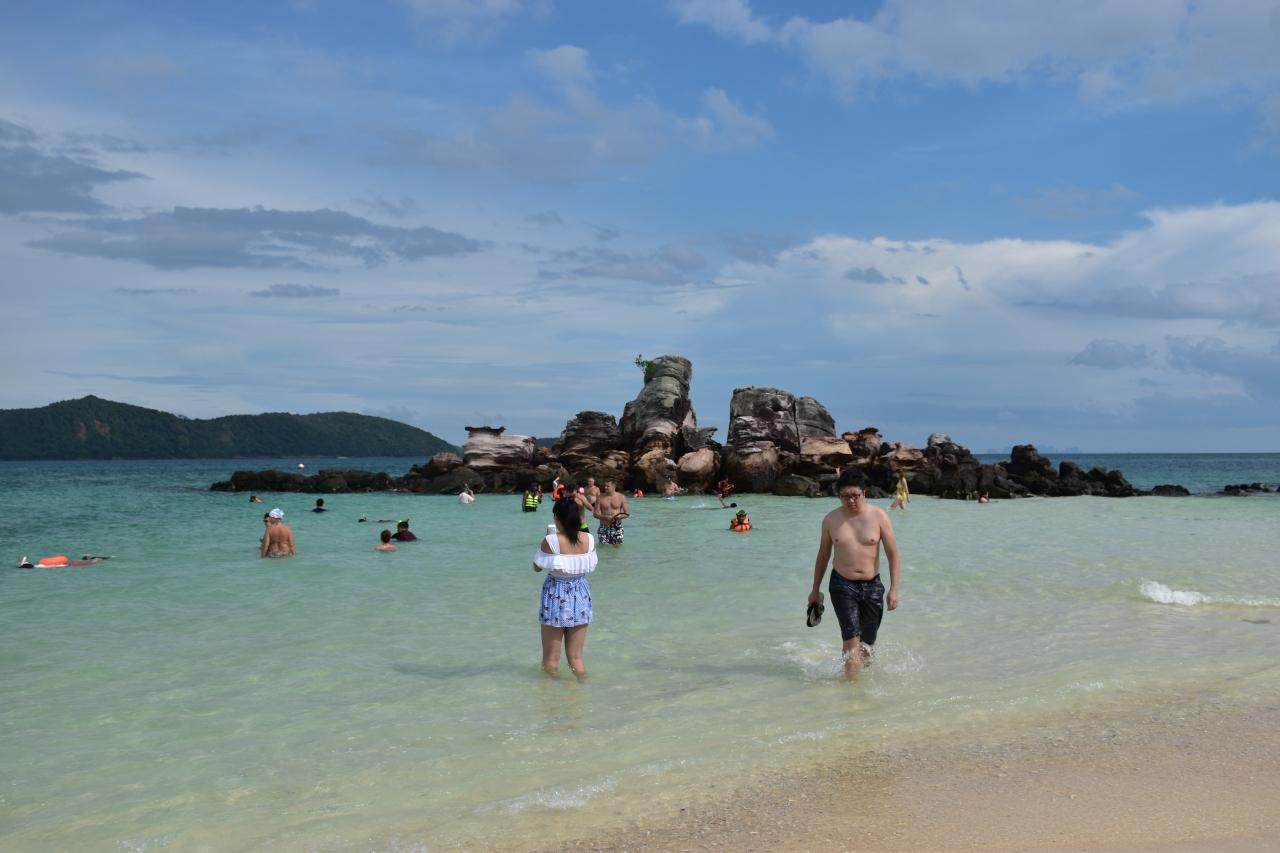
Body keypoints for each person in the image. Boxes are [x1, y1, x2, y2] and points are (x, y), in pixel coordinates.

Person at [808, 472, 901, 679]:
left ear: (864, 493)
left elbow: (893, 554)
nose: (850, 500)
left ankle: (863, 684)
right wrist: (815, 590)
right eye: (845, 496)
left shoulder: (879, 516)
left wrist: (894, 589)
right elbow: (823, 556)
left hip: (872, 586)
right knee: (851, 643)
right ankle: (852, 691)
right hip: (842, 585)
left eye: (855, 495)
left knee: (868, 644)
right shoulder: (831, 520)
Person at [533, 496, 598, 679]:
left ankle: (549, 693)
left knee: (551, 659)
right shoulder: (589, 539)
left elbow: (537, 567)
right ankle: (580, 689)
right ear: (579, 518)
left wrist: (547, 539)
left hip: (556, 594)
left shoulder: (551, 540)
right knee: (576, 658)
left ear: (557, 518)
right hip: (581, 593)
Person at [592, 480, 630, 547]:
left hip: (617, 526)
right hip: (604, 526)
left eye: (607, 486)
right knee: (604, 548)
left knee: (617, 547)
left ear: (614, 486)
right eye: (605, 486)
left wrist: (619, 517)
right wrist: (605, 517)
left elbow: (627, 514)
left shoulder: (621, 497)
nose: (605, 487)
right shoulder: (600, 498)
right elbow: (595, 514)